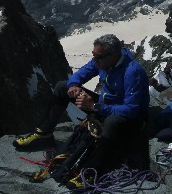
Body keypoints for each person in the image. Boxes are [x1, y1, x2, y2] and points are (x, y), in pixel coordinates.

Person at [63, 34, 150, 173]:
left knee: (111, 122)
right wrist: (74, 85)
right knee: (62, 87)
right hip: (104, 107)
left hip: (130, 118)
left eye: (98, 57)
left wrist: (95, 107)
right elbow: (80, 74)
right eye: (93, 55)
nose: (94, 60)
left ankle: (94, 169)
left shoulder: (133, 72)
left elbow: (132, 109)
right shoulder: (103, 61)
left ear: (113, 55)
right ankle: (43, 133)